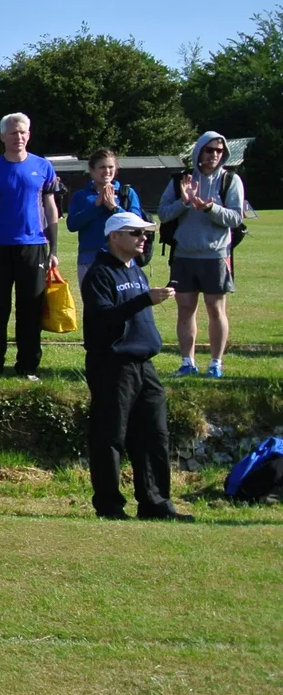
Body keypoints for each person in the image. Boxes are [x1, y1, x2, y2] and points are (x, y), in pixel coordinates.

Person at [81, 212, 186, 521]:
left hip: (144, 365)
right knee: (110, 436)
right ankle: (109, 506)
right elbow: (104, 318)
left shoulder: (135, 269)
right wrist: (144, 300)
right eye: (136, 233)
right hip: (112, 365)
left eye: (146, 234)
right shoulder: (100, 274)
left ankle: (155, 503)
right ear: (115, 237)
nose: (144, 239)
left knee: (155, 434)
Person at [0, 113, 60, 381]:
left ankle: (28, 366)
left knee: (31, 310)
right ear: (2, 137)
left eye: (22, 132)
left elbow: (51, 208)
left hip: (34, 247)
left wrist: (54, 249)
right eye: (12, 133)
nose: (18, 137)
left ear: (29, 134)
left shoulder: (43, 167)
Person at [159, 131, 249, 378]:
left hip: (215, 255)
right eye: (209, 150)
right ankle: (187, 362)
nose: (214, 155)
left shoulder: (230, 181)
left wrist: (210, 208)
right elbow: (163, 213)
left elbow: (236, 217)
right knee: (185, 309)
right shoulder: (181, 179)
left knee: (215, 309)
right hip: (184, 255)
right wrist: (185, 202)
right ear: (199, 151)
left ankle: (215, 363)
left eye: (219, 151)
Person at [66, 149, 148, 292]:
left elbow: (136, 224)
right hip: (90, 259)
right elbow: (72, 225)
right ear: (92, 170)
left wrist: (114, 208)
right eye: (102, 167)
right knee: (94, 305)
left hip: (123, 258)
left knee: (125, 302)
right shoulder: (81, 196)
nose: (107, 171)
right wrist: (96, 205)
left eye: (110, 167)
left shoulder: (127, 193)